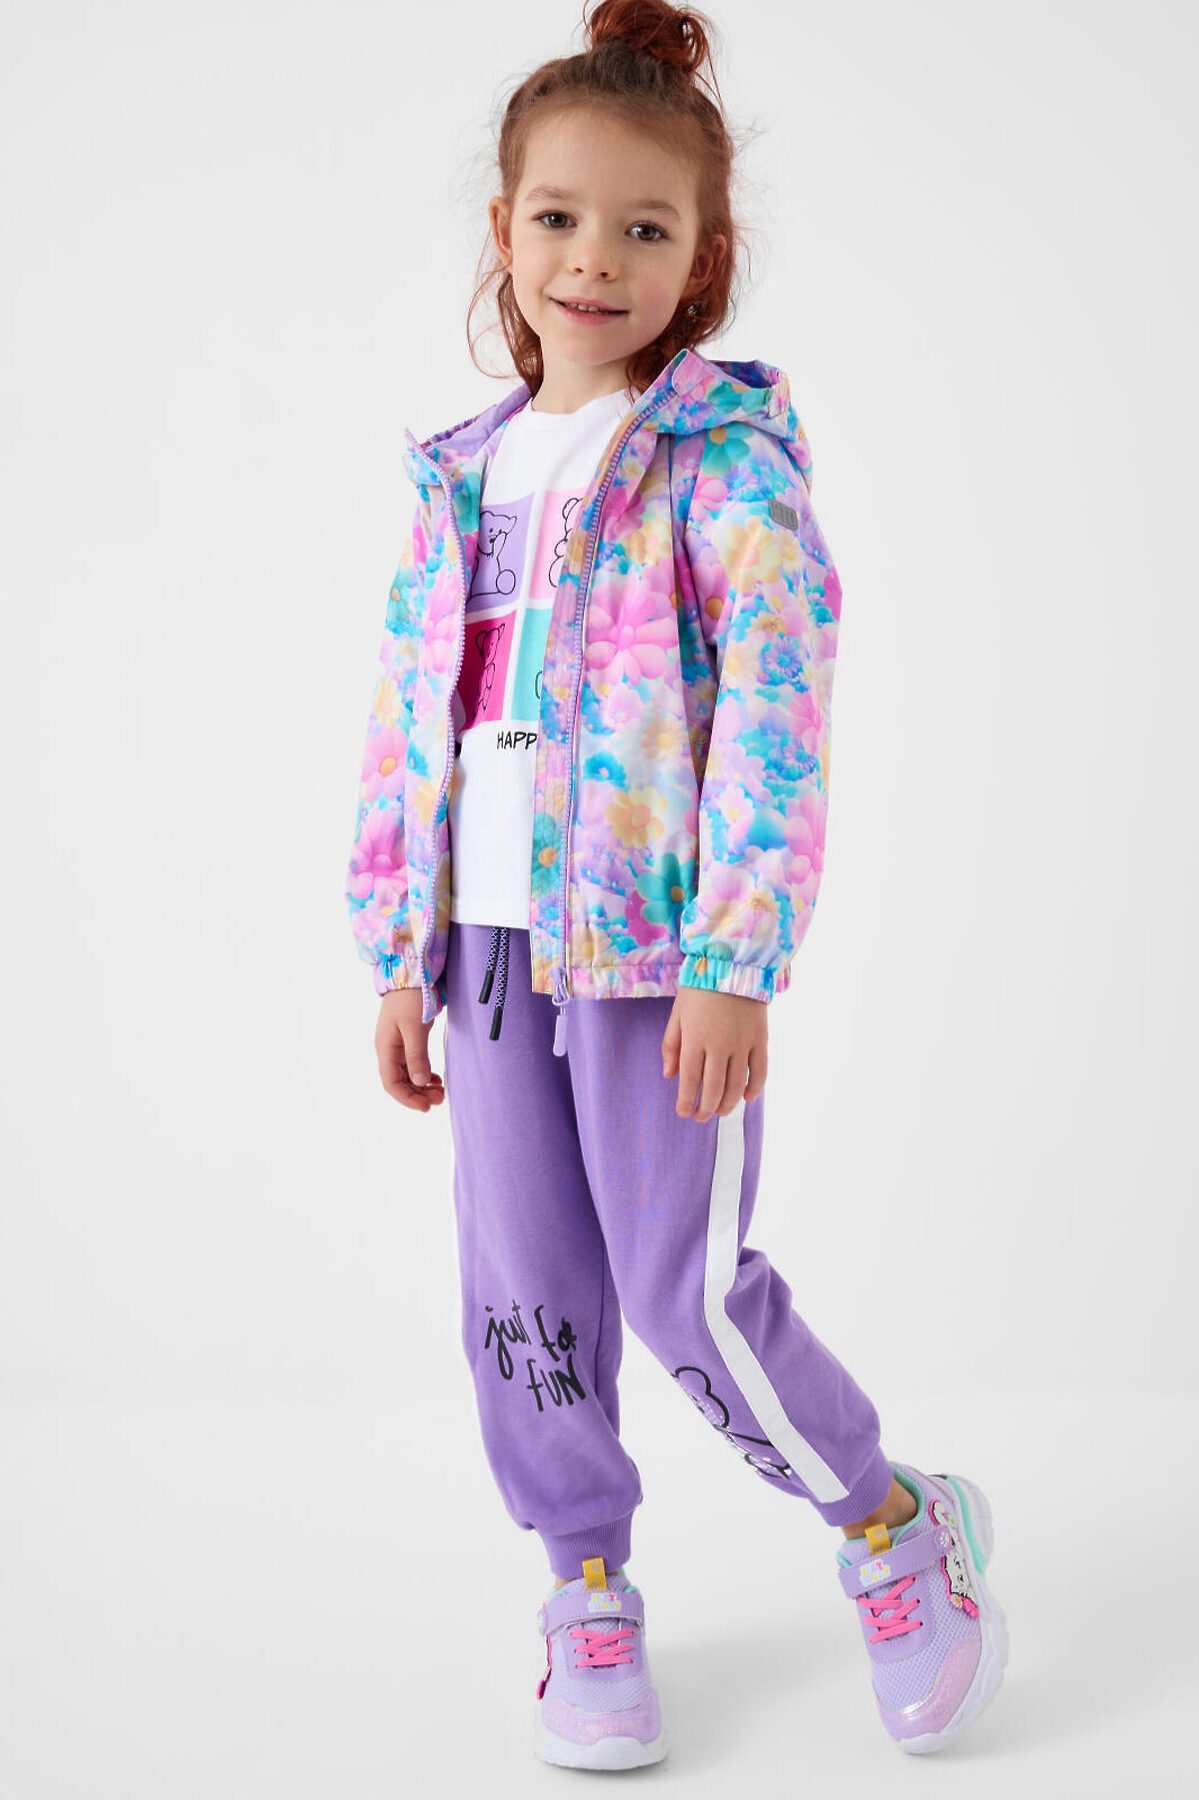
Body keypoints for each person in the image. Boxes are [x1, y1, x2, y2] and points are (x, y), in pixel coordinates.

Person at [344, 0, 1007, 1771]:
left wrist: (735, 956)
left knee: (682, 1292)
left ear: (703, 258)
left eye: (645, 228)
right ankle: (584, 1586)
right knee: (525, 1296)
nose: (595, 258)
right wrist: (398, 949)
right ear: (505, 231)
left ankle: (894, 1525)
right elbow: (411, 720)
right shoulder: (460, 479)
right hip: (487, 959)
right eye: (560, 218)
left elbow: (780, 708)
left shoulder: (720, 460)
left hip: (653, 959)